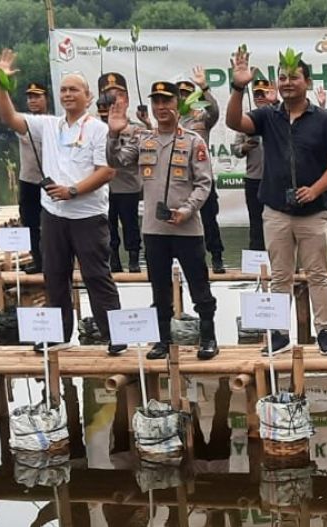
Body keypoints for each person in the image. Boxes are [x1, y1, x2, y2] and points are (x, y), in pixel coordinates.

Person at [0, 49, 125, 355]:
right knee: (54, 275)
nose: (67, 94)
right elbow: (8, 116)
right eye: (63, 89)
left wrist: (73, 191)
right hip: (53, 214)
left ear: (88, 97)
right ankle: (57, 334)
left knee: (96, 276)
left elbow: (107, 171)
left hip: (87, 214)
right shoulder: (48, 124)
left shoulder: (99, 129)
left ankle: (114, 334)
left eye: (74, 89)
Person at [225, 48, 327, 356]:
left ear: (307, 81)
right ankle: (279, 333)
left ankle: (324, 331)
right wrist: (238, 87)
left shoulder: (325, 120)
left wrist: (316, 190)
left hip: (313, 212)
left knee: (318, 273)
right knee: (280, 275)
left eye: (294, 77)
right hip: (276, 210)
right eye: (282, 78)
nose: (287, 82)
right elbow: (234, 122)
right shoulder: (269, 116)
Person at [108, 81, 218, 361]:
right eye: (156, 102)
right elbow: (117, 162)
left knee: (199, 285)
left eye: (166, 101)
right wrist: (112, 133)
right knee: (159, 287)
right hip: (154, 229)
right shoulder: (143, 139)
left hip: (187, 228)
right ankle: (163, 340)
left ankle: (208, 337)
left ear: (177, 106)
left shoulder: (193, 140)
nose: (161, 107)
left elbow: (204, 184)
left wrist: (188, 209)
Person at [178, 69, 224, 272]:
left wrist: (204, 87)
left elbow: (215, 110)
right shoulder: (172, 120)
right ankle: (188, 262)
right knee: (181, 221)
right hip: (180, 181)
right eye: (180, 94)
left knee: (209, 219)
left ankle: (217, 257)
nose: (184, 97)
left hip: (203, 178)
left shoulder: (203, 117)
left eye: (188, 94)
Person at [98, 73, 143, 274]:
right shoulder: (94, 127)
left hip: (127, 184)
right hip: (102, 187)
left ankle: (134, 258)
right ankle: (113, 259)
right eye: (108, 96)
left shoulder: (134, 128)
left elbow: (127, 158)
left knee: (130, 223)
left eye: (117, 95)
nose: (113, 100)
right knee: (108, 226)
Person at [231, 77, 272, 253]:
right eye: (257, 94)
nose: (260, 97)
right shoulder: (246, 119)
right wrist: (246, 147)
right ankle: (256, 267)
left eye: (263, 93)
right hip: (254, 179)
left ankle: (282, 264)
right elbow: (235, 149)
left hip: (275, 179)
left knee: (279, 223)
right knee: (256, 222)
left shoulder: (279, 116)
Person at [17, 82, 49, 274]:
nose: (33, 100)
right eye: (30, 97)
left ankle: (53, 261)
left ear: (46, 98)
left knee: (52, 225)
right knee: (30, 222)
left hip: (51, 181)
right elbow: (2, 115)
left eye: (37, 96)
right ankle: (38, 260)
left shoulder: (55, 122)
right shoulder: (22, 121)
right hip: (28, 180)